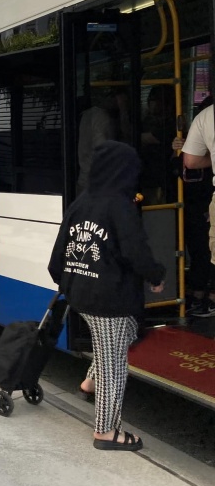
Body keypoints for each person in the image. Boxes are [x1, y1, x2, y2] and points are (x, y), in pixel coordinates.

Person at [49, 141, 165, 452]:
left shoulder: (81, 202)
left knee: (120, 338)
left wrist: (69, 282)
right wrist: (156, 275)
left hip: (81, 294)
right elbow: (136, 251)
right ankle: (106, 431)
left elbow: (58, 254)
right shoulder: (120, 205)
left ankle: (89, 381)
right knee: (115, 365)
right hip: (108, 299)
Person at [172, 96, 215, 317]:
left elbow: (190, 163)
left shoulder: (205, 120)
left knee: (205, 251)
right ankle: (201, 294)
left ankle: (207, 295)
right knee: (200, 249)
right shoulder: (190, 138)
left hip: (205, 200)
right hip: (196, 202)